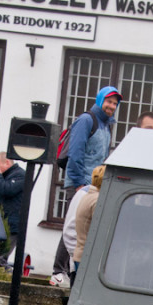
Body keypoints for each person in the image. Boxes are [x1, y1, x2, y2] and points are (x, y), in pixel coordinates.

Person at [50, 86, 121, 285]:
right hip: (81, 184)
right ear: (100, 100)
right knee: (73, 225)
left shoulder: (106, 126)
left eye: (115, 104)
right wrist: (79, 183)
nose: (112, 106)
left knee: (81, 228)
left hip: (94, 186)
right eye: (109, 101)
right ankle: (58, 271)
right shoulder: (86, 120)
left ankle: (69, 270)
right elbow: (76, 152)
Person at [71, 164, 105, 276]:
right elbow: (100, 228)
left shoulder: (87, 196)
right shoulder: (97, 200)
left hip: (81, 253)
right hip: (87, 256)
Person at [0, 151, 25, 263]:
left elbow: (6, 190)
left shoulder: (20, 175)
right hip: (1, 223)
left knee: (1, 258)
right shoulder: (5, 176)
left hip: (12, 226)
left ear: (7, 163)